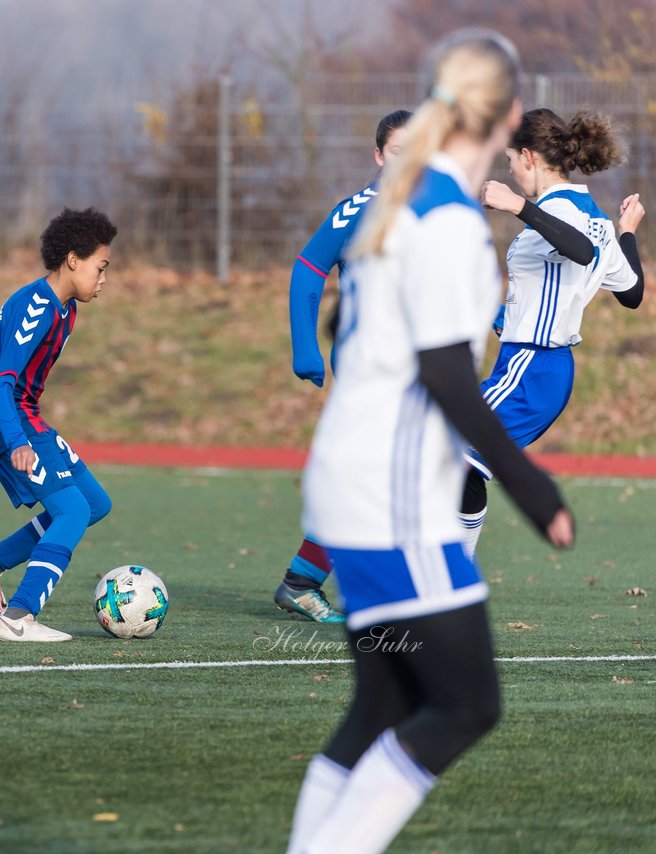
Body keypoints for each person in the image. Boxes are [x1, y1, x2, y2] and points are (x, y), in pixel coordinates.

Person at [285, 30, 575, 854]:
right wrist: (533, 488)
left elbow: (361, 319)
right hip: (394, 497)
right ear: (510, 114)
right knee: (466, 704)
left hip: (347, 478)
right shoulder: (446, 218)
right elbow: (448, 376)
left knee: (378, 707)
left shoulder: (396, 196)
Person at [459, 108, 644, 557]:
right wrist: (626, 234)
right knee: (458, 466)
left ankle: (444, 591)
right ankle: (446, 587)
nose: (509, 173)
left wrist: (515, 205)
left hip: (532, 368)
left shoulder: (559, 210)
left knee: (443, 454)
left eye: (510, 162)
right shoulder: (593, 216)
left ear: (528, 157)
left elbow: (578, 250)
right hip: (531, 367)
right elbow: (633, 292)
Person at [0, 208, 116, 642]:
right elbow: (1, 383)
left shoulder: (65, 311)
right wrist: (17, 442)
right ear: (72, 260)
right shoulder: (36, 306)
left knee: (94, 504)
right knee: (73, 510)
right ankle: (17, 618)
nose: (103, 279)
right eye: (100, 267)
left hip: (20, 410)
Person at [276, 109, 413, 624]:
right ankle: (320, 582)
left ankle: (305, 579)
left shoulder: (432, 210)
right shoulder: (361, 207)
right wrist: (304, 348)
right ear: (379, 156)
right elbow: (309, 267)